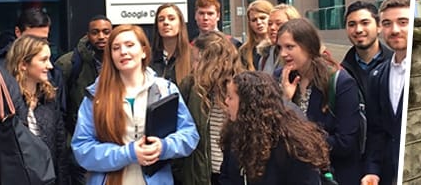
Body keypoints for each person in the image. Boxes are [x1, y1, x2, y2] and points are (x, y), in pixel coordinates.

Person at [71, 24, 199, 185]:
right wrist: (127, 153)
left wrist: (164, 146)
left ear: (144, 51)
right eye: (116, 48)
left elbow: (190, 135)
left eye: (130, 45)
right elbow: (82, 149)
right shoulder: (95, 95)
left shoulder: (164, 89)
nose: (123, 52)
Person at [276, 18, 363, 185]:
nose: (283, 54)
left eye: (290, 47)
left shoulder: (340, 82)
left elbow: (345, 143)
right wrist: (284, 99)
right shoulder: (280, 77)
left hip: (333, 175)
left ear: (308, 46)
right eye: (280, 47)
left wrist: (298, 141)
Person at [219, 71, 330, 184]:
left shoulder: (294, 146)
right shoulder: (234, 133)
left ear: (247, 104)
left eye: (230, 97)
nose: (226, 101)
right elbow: (226, 177)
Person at [176, 31, 244, 185]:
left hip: (233, 173)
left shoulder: (242, 87)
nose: (194, 66)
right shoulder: (190, 85)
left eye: (199, 61)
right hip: (202, 174)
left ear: (215, 62)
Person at [6, 35, 69, 185]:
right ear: (23, 64)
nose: (50, 66)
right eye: (43, 60)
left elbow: (60, 148)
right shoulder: (7, 101)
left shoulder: (49, 98)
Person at [361, 0, 410, 185]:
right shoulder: (377, 75)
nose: (395, 30)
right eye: (387, 23)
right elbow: (376, 130)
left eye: (403, 22)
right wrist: (372, 170)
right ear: (381, 28)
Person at [57, 15, 112, 135]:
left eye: (106, 32)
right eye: (95, 32)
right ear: (88, 35)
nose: (101, 37)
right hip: (80, 134)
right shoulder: (69, 63)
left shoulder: (122, 61)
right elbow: (57, 107)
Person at [342, 0, 394, 98]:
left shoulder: (395, 65)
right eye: (352, 24)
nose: (358, 30)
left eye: (365, 23)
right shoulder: (342, 72)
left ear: (379, 26)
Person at [150, 3, 193, 84]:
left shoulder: (193, 56)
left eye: (171, 19)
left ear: (180, 24)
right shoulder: (149, 57)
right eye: (161, 20)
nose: (166, 22)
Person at [257, 4, 301, 73]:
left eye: (278, 23)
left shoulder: (303, 57)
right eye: (270, 24)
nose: (272, 28)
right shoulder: (265, 56)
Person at [238, 0, 274, 71]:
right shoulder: (244, 50)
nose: (259, 22)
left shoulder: (279, 46)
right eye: (254, 20)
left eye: (262, 18)